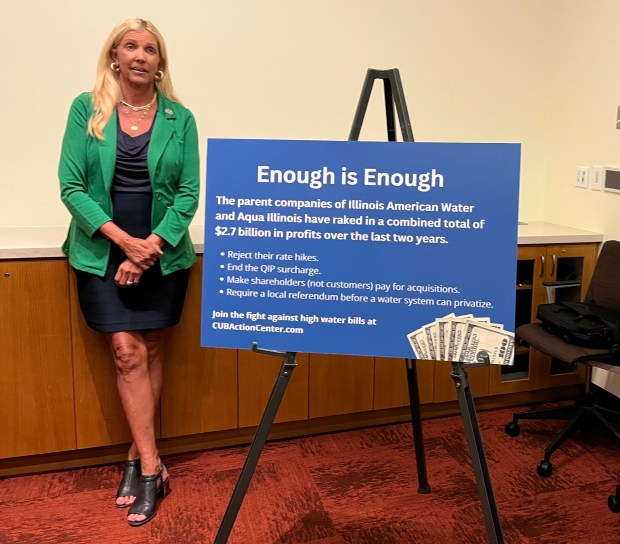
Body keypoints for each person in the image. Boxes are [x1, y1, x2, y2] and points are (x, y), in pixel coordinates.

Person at [58, 18, 199, 527]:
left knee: (154, 348)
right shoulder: (87, 109)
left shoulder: (180, 118)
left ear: (160, 63)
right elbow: (71, 186)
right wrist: (124, 245)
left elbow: (188, 193)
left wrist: (152, 247)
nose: (141, 55)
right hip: (102, 250)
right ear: (114, 56)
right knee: (125, 351)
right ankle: (152, 468)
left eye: (151, 48)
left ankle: (137, 457)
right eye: (131, 46)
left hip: (163, 252)